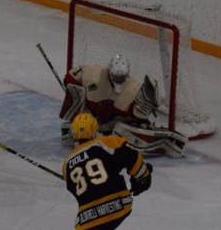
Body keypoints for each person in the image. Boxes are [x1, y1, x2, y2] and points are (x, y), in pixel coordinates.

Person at [58, 54, 187, 157]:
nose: (118, 80)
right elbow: (70, 77)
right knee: (85, 122)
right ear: (109, 71)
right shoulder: (92, 74)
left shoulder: (134, 88)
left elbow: (137, 117)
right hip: (94, 121)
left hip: (113, 126)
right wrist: (73, 93)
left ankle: (160, 142)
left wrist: (140, 118)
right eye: (116, 76)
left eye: (122, 77)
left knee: (122, 129)